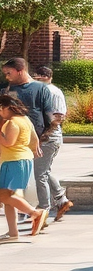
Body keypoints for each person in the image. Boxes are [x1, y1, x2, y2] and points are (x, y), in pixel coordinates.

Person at [1, 58, 68, 220]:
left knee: (40, 174)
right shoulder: (7, 91)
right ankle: (59, 200)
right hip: (20, 142)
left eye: (9, 73)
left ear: (20, 70)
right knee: (41, 172)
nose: (7, 77)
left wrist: (40, 140)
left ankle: (41, 212)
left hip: (41, 139)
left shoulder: (40, 89)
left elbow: (50, 117)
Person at [0, 95, 47, 243]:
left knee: (4, 195)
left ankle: (35, 213)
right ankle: (13, 233)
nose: (0, 113)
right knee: (8, 198)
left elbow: (8, 142)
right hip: (20, 160)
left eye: (0, 109)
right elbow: (33, 136)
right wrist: (34, 148)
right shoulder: (25, 119)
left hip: (14, 161)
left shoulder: (13, 123)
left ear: (7, 107)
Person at [32, 66, 72, 221]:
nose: (34, 81)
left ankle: (43, 209)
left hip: (49, 138)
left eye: (37, 77)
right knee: (44, 171)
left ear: (44, 77)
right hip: (47, 137)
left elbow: (59, 117)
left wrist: (44, 135)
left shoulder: (51, 92)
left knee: (40, 174)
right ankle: (62, 200)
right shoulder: (45, 91)